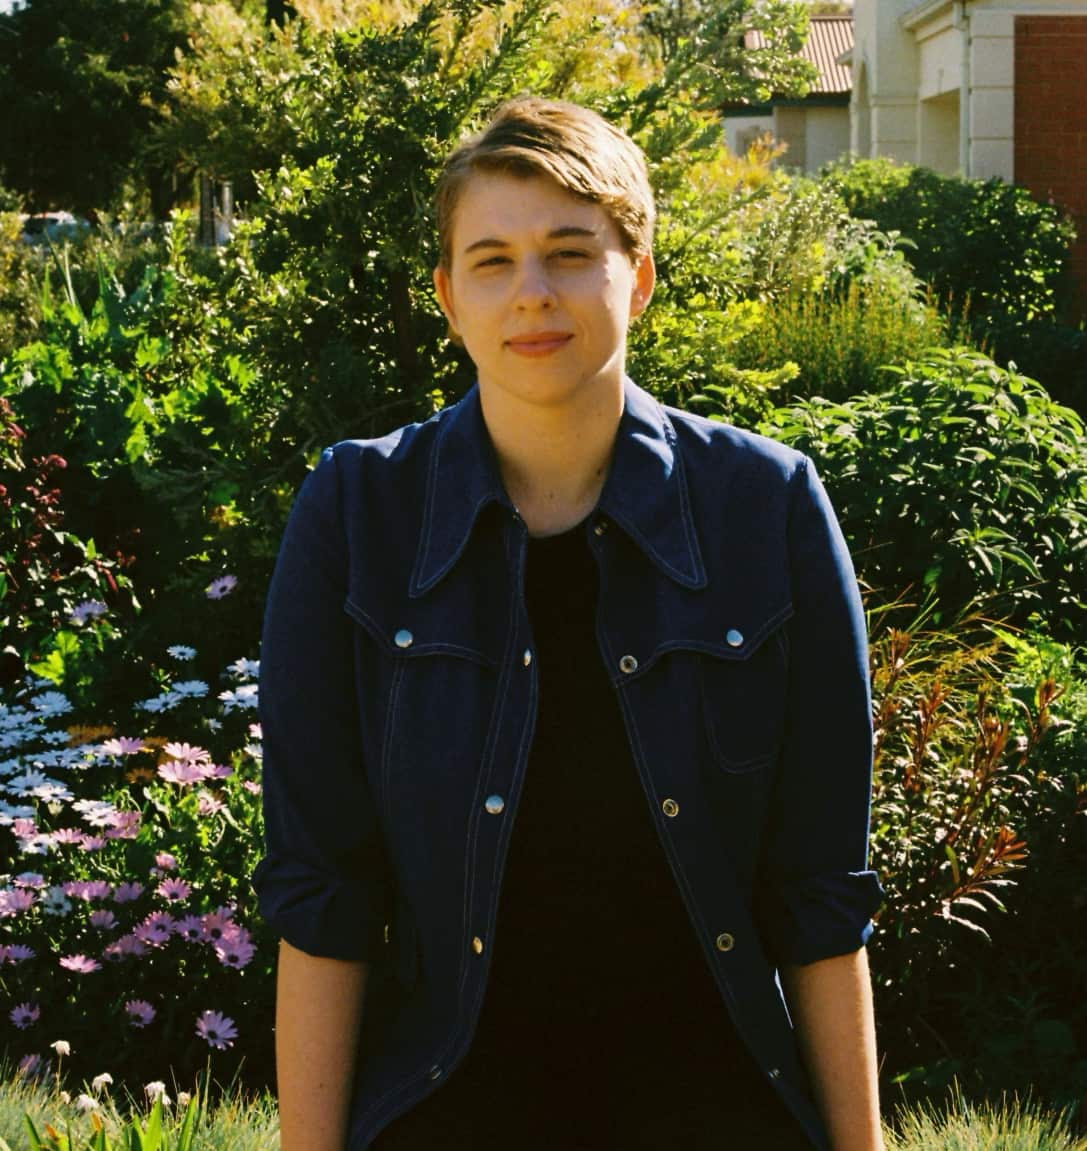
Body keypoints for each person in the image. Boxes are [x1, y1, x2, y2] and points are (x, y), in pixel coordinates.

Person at [252, 97, 886, 1151]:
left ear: (636, 277)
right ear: (449, 298)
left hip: (713, 1101)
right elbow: (325, 890)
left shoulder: (763, 505)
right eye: (492, 260)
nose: (532, 293)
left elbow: (819, 892)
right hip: (445, 1103)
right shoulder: (358, 511)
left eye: (568, 250)